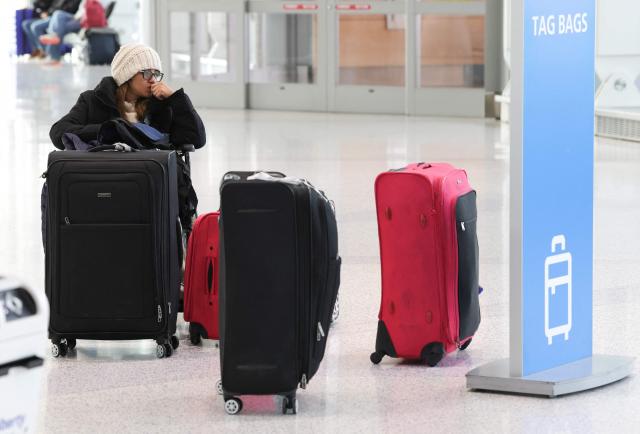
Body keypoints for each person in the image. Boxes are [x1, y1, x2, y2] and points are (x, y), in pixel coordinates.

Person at [49, 43, 206, 229]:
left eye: (157, 74)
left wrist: (177, 98)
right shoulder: (93, 100)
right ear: (128, 74)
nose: (153, 80)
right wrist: (111, 130)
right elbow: (59, 132)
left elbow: (197, 138)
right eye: (147, 73)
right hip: (104, 183)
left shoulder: (161, 106)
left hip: (149, 185)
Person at [39, 0, 107, 63]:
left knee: (58, 17)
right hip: (82, 20)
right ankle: (54, 45)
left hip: (82, 22)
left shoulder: (89, 2)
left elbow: (81, 13)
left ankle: (54, 54)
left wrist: (75, 17)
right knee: (59, 19)